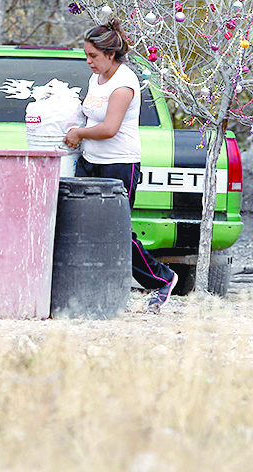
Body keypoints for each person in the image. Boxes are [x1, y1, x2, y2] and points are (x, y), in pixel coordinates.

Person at [63, 19, 178, 312]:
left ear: (110, 54)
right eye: (86, 55)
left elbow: (109, 128)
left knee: (116, 232)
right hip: (90, 162)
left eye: (93, 56)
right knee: (84, 230)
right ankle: (99, 290)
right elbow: (89, 114)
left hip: (119, 165)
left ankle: (162, 279)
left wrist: (79, 134)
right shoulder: (96, 78)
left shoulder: (124, 84)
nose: (88, 61)